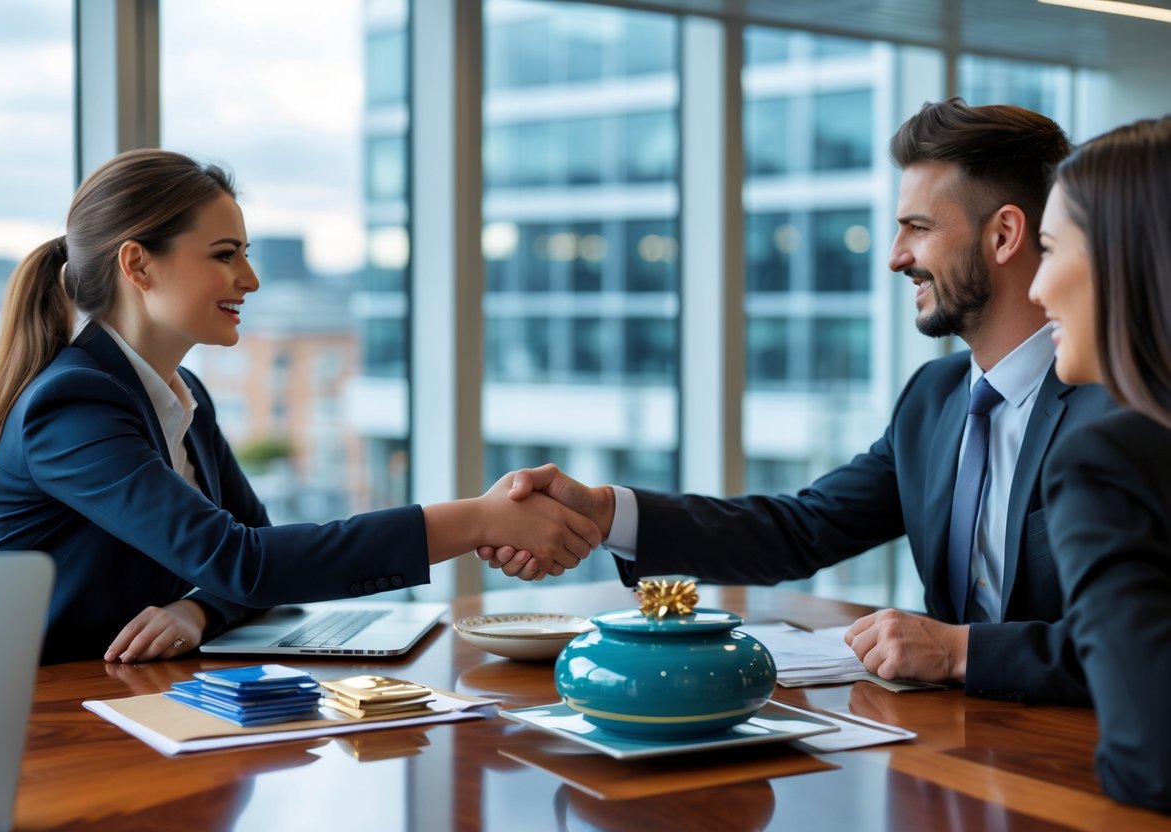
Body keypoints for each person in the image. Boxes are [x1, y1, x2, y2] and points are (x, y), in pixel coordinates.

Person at [482, 98, 1116, 703]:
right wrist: (603, 513)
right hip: (954, 757)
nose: (896, 258)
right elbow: (800, 528)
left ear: (1004, 235)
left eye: (918, 229)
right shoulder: (934, 400)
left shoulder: (1121, 412)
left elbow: (1138, 642)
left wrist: (959, 651)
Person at [0, 148, 599, 665]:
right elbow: (247, 563)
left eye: (246, 254)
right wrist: (475, 521)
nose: (250, 280)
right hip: (42, 717)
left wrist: (199, 610)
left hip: (135, 699)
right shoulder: (72, 404)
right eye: (225, 255)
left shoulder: (185, 396)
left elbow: (253, 554)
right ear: (138, 265)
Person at [1029, 114, 1171, 813]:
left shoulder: (1105, 462)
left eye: (1049, 249)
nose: (1035, 289)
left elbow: (1150, 761)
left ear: (1126, 261)